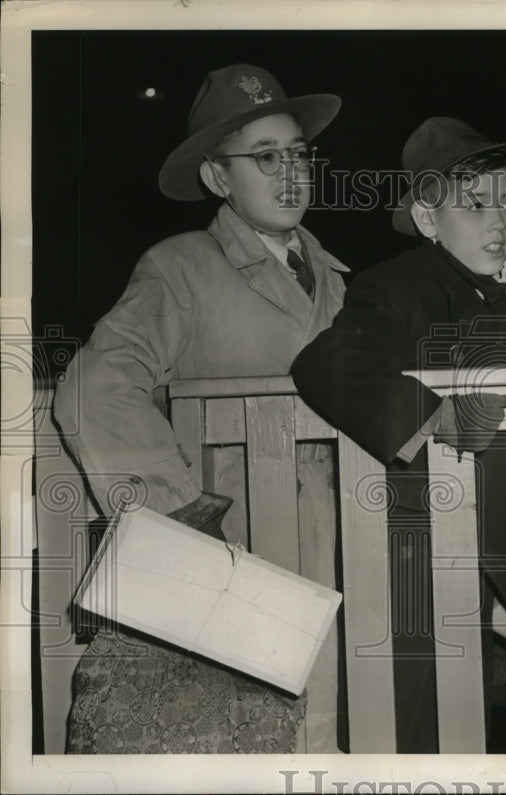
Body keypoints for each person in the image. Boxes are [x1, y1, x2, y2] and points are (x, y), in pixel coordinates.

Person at [54, 64, 349, 753]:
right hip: (234, 565)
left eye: (299, 154)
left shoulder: (338, 279)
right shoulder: (180, 267)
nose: (290, 173)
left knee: (325, 738)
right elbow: (93, 389)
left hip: (335, 551)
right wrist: (184, 523)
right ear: (219, 179)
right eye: (265, 157)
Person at [292, 117, 506, 752]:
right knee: (420, 721)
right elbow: (326, 362)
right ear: (428, 219)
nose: (499, 222)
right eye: (473, 205)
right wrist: (433, 412)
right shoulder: (396, 285)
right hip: (430, 534)